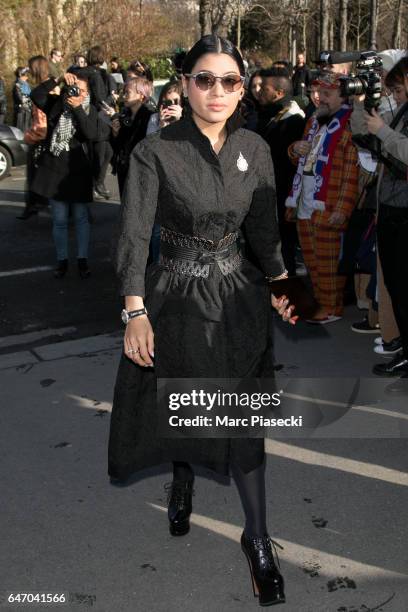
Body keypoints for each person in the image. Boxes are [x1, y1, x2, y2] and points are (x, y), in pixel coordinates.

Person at [108, 34, 297, 607]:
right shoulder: (156, 152)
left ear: (244, 88)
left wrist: (281, 283)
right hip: (178, 299)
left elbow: (264, 228)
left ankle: (258, 538)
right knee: (187, 399)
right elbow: (135, 237)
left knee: (243, 415)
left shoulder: (255, 148)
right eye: (205, 79)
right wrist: (135, 310)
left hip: (238, 298)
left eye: (230, 80)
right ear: (185, 83)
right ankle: (184, 475)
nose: (218, 90)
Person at [285, 71, 359, 323]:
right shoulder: (315, 120)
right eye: (317, 93)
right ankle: (320, 304)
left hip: (328, 202)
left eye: (326, 94)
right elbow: (301, 157)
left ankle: (331, 307)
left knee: (328, 263)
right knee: (312, 260)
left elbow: (351, 170)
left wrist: (342, 208)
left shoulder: (349, 124)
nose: (319, 98)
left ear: (342, 96)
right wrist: (294, 149)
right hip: (305, 200)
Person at [351, 57, 408, 378]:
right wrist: (361, 104)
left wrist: (384, 131)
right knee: (397, 287)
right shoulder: (400, 111)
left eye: (398, 88)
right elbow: (365, 137)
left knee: (403, 287)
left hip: (403, 212)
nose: (396, 95)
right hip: (390, 208)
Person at [30, 70, 109, 278]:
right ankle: (62, 260)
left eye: (81, 91)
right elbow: (35, 95)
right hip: (55, 171)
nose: (76, 93)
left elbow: (90, 134)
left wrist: (77, 110)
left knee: (82, 218)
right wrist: (56, 79)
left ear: (88, 93)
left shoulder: (90, 110)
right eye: (73, 89)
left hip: (78, 172)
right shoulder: (56, 104)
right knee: (59, 220)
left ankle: (82, 260)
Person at [257, 68, 305, 276]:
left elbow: (286, 160)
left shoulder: (293, 120)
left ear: (279, 93)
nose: (259, 91)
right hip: (267, 193)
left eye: (264, 88)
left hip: (282, 195)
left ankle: (289, 299)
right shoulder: (270, 116)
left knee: (282, 252)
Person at [109, 76, 154, 196]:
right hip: (124, 167)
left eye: (127, 92)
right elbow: (118, 144)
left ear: (141, 95)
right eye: (124, 92)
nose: (124, 96)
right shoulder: (125, 114)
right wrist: (115, 133)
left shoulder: (150, 116)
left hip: (140, 169)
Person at [17, 55, 49, 221]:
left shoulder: (43, 89)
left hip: (41, 137)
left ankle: (35, 204)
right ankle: (34, 204)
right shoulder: (46, 86)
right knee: (36, 173)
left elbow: (42, 119)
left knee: (38, 173)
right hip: (41, 136)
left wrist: (31, 136)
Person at [13, 67, 32, 131]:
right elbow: (19, 98)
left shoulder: (26, 84)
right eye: (25, 74)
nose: (27, 76)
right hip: (21, 111)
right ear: (20, 75)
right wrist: (28, 99)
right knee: (19, 130)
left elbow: (31, 96)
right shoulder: (18, 84)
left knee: (26, 129)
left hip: (27, 110)